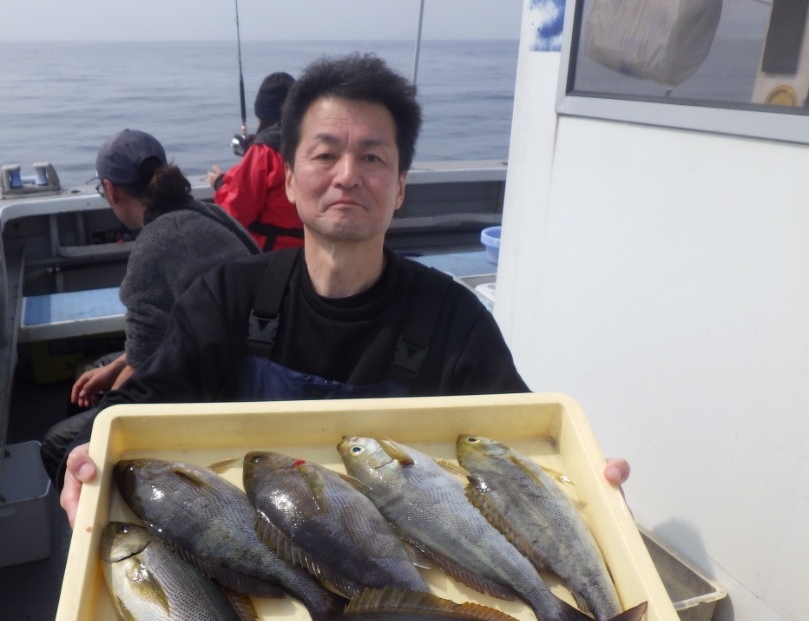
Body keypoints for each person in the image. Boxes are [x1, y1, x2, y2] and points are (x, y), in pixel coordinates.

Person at [59, 53, 630, 526]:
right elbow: (141, 411)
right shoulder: (227, 297)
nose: (348, 175)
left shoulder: (452, 317)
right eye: (326, 154)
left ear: (400, 187)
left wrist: (581, 489)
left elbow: (520, 445)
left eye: (373, 157)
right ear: (288, 178)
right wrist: (93, 454)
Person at [39, 128, 260, 483]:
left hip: (215, 393)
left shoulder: (155, 244)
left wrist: (101, 424)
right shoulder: (212, 214)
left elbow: (142, 367)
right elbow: (159, 337)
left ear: (111, 190)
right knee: (102, 367)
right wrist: (116, 367)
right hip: (246, 365)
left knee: (56, 444)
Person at [206, 72, 305, 251]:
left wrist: (220, 185)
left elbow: (236, 212)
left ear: (262, 114)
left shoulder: (264, 151)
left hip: (272, 254)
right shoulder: (310, 144)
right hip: (310, 250)